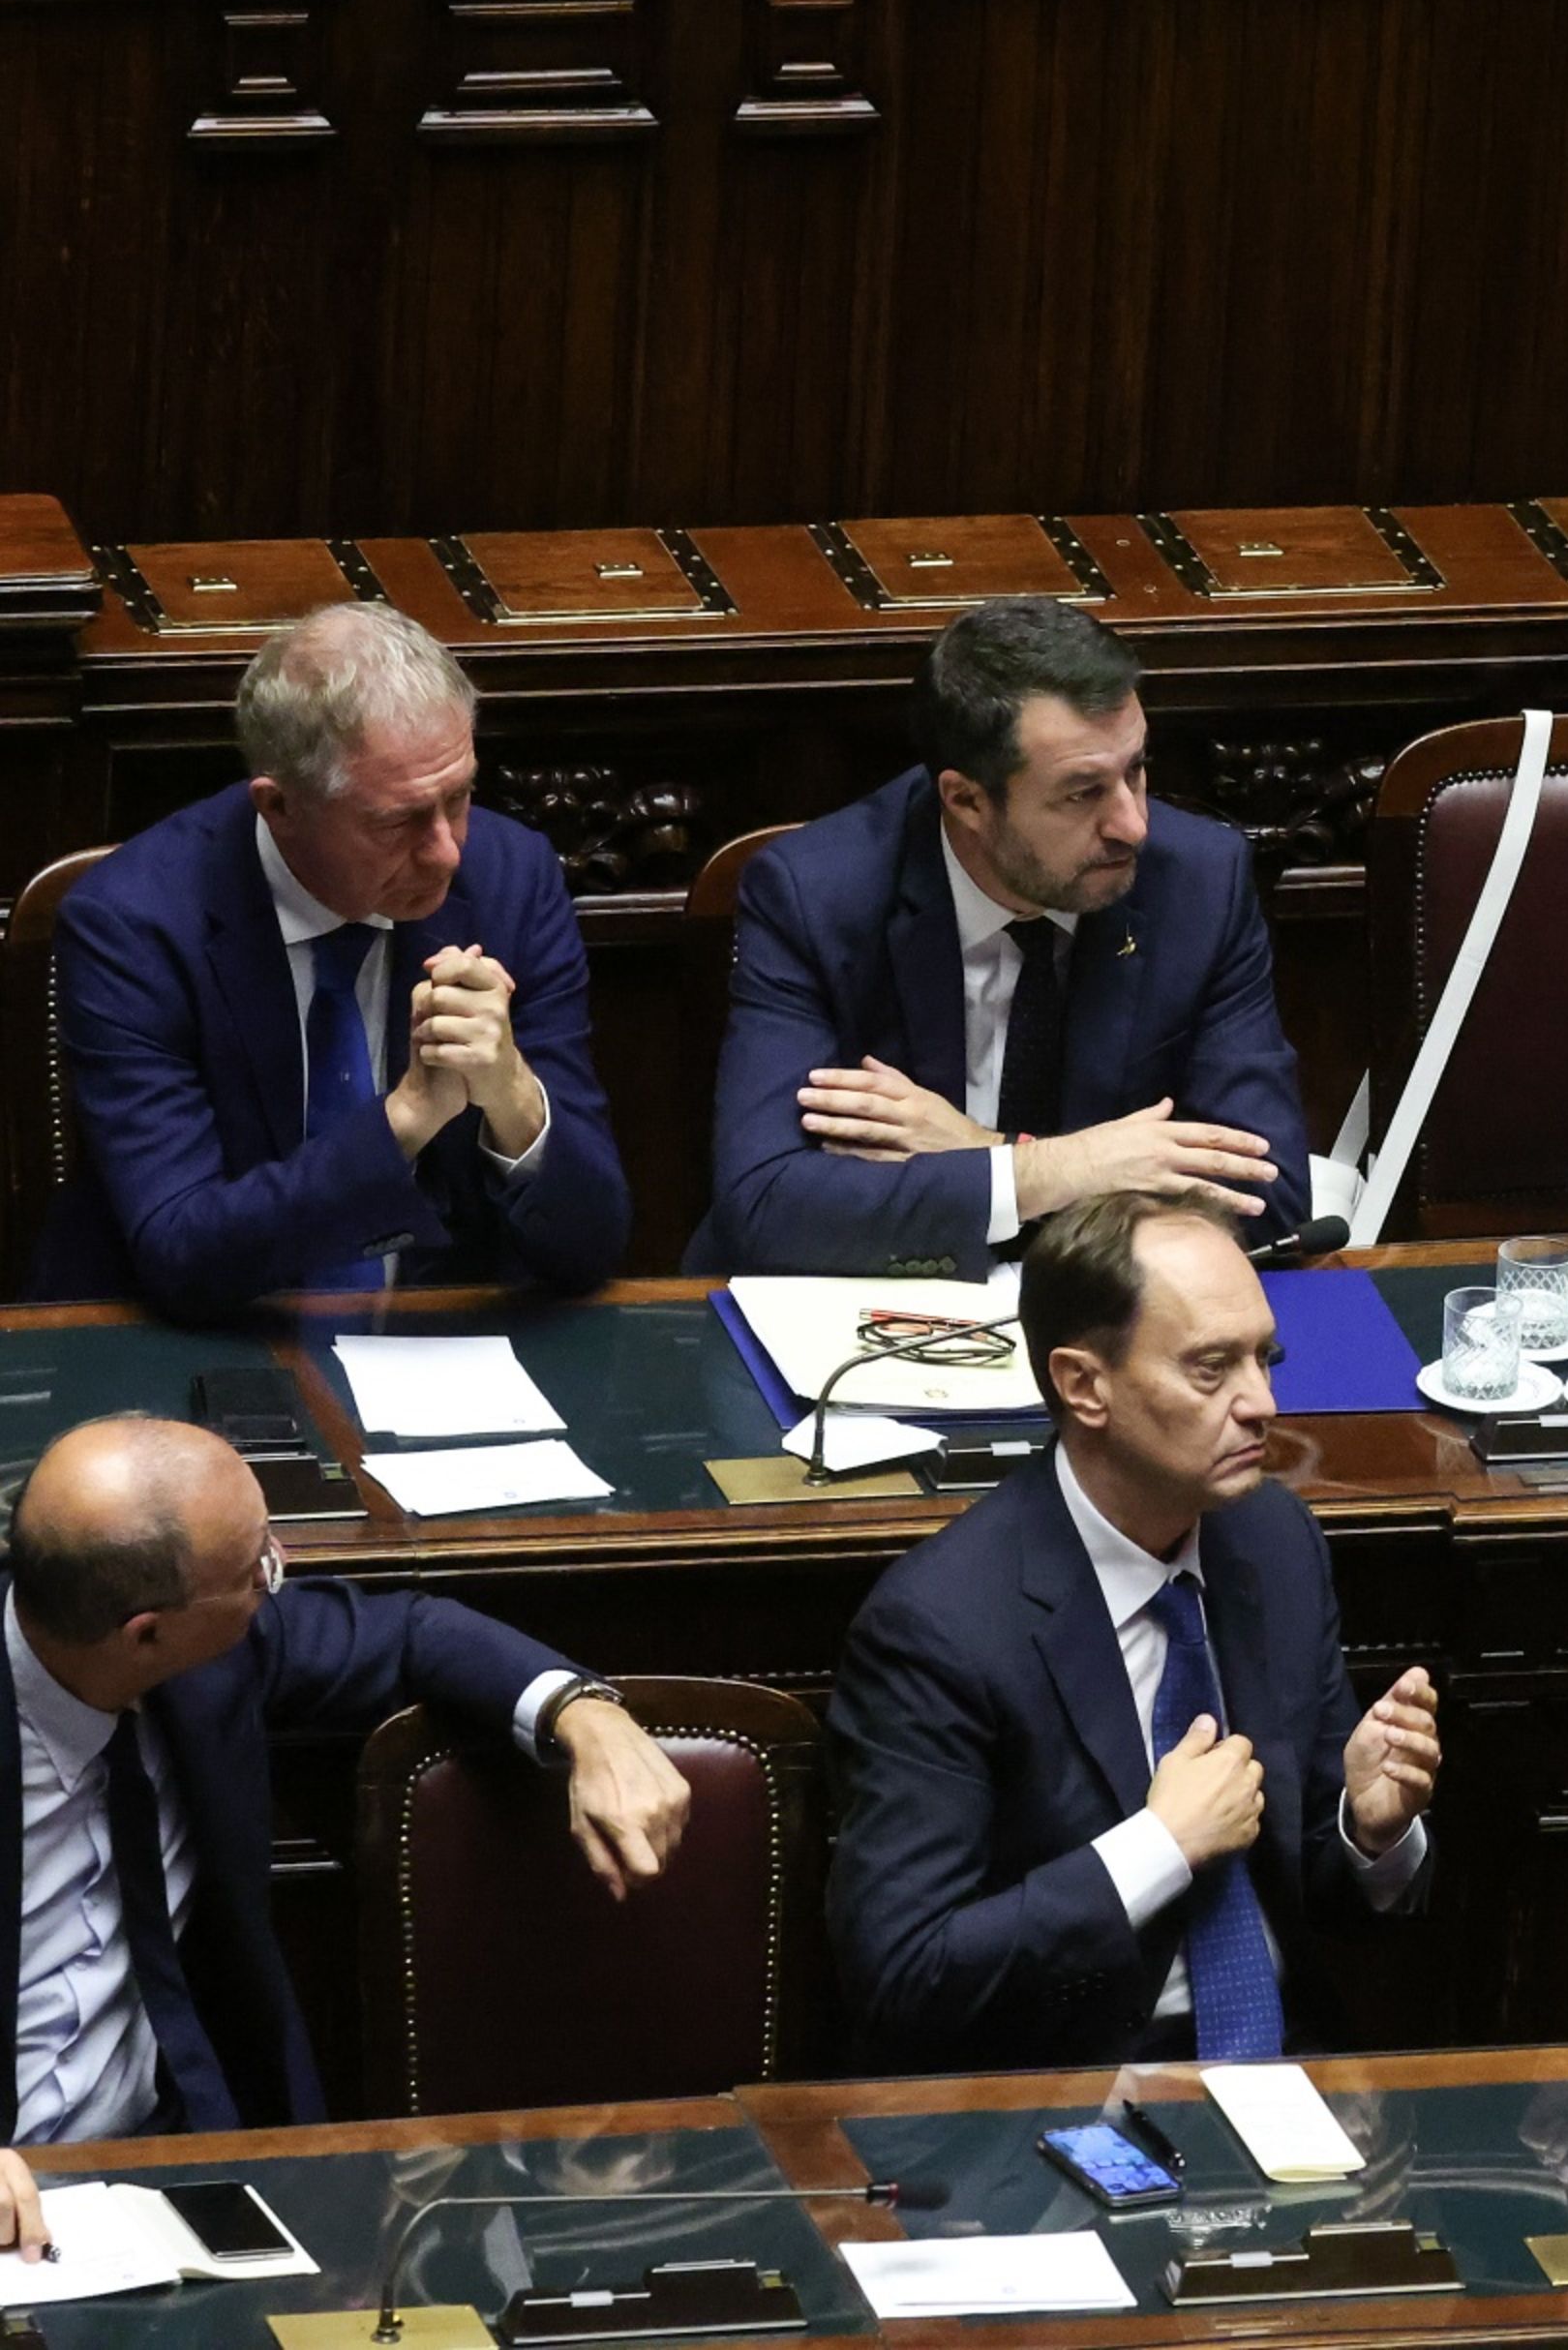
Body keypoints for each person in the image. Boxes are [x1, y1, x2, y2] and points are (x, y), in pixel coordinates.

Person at [0, 1415, 685, 2252]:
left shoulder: (212, 1650)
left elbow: (413, 1633)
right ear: (147, 1632)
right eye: (258, 1568)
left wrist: (588, 1714)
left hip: (178, 2176)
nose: (275, 1576)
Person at [825, 1192, 1438, 2071]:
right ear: (1084, 1385)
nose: (1261, 1403)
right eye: (1210, 1369)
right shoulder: (941, 1627)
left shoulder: (1274, 1543)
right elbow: (903, 1976)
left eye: (1266, 1359)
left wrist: (1367, 1831)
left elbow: (1316, 1881)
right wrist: (1156, 1849)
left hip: (1288, 2068)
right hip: (1063, 2095)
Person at [692, 596, 1307, 1278]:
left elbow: (1266, 1201)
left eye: (1134, 770)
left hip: (1110, 1320)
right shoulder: (816, 895)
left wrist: (988, 1152)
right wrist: (1048, 1170)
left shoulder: (1199, 882)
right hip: (881, 1310)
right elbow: (765, 1208)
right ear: (968, 801)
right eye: (1082, 792)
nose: (1133, 825)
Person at [43, 604, 628, 1317]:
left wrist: (512, 1097)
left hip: (443, 1352)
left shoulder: (511, 880)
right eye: (398, 819)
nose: (447, 850)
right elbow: (180, 1250)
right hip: (203, 1347)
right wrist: (406, 1118)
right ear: (279, 806)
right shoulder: (134, 923)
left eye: (459, 797)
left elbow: (591, 1245)